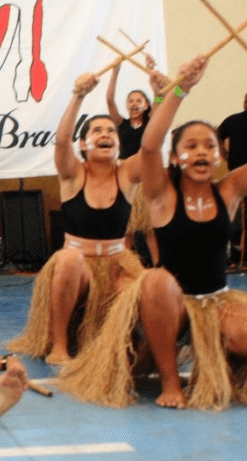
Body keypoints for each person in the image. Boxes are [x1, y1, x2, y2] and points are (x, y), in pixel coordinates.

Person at [60, 56, 247, 411]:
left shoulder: (230, 189)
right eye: (191, 147)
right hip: (165, 308)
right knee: (156, 280)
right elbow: (149, 145)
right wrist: (180, 89)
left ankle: (221, 364)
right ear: (175, 158)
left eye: (209, 146)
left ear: (220, 156)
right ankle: (170, 380)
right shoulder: (162, 193)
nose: (201, 152)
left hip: (216, 301)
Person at [6, 69, 148, 365]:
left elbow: (152, 144)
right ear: (83, 144)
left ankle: (123, 344)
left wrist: (170, 93)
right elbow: (61, 143)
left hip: (117, 264)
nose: (106, 134)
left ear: (119, 144)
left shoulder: (127, 173)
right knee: (68, 258)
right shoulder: (73, 174)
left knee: (149, 286)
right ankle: (59, 344)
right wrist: (78, 95)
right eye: (97, 131)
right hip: (79, 267)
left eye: (111, 131)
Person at [106, 57, 168, 267]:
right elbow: (109, 100)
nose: (133, 104)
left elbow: (163, 96)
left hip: (146, 180)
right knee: (128, 229)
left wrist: (153, 71)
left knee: (149, 228)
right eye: (130, 101)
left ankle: (159, 265)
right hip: (126, 181)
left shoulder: (151, 121)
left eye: (138, 100)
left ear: (146, 105)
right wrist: (115, 71)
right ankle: (125, 267)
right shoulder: (121, 124)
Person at [217, 91, 247, 266]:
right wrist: (224, 155)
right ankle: (235, 253)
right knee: (233, 216)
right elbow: (217, 136)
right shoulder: (233, 120)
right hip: (235, 178)